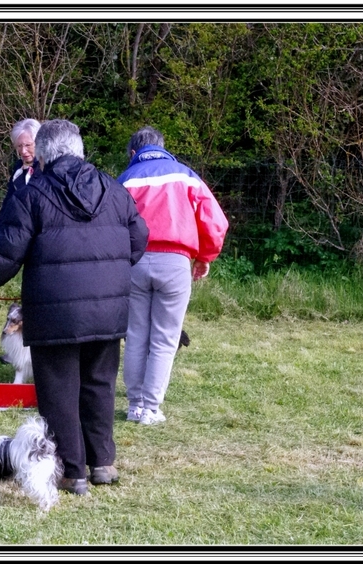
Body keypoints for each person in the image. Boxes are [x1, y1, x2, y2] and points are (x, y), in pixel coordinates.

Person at [0, 119, 148, 495]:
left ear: (41, 155)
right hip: (108, 311)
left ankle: (72, 471)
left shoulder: (33, 193)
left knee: (59, 392)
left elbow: (3, 255)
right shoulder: (114, 189)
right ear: (79, 150)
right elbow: (139, 238)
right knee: (100, 386)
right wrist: (111, 270)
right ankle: (103, 463)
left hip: (55, 313)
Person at [117, 126, 229, 426]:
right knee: (165, 339)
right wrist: (205, 257)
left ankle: (135, 405)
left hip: (134, 262)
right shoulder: (185, 175)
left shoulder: (125, 179)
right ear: (164, 147)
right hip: (176, 262)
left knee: (136, 336)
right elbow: (216, 223)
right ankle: (151, 409)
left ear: (133, 153)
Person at [4, 118, 41, 205]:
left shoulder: (48, 169)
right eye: (19, 146)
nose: (23, 151)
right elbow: (8, 202)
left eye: (28, 145)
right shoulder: (18, 169)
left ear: (39, 142)